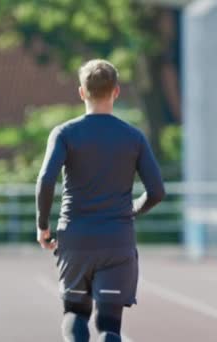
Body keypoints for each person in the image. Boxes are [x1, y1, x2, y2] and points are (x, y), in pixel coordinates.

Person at [35, 59, 165, 342]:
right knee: (109, 325)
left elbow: (46, 180)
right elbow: (156, 191)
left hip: (76, 238)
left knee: (75, 314)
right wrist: (132, 210)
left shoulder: (65, 133)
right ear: (116, 91)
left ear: (81, 92)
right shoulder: (134, 137)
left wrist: (42, 226)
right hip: (117, 239)